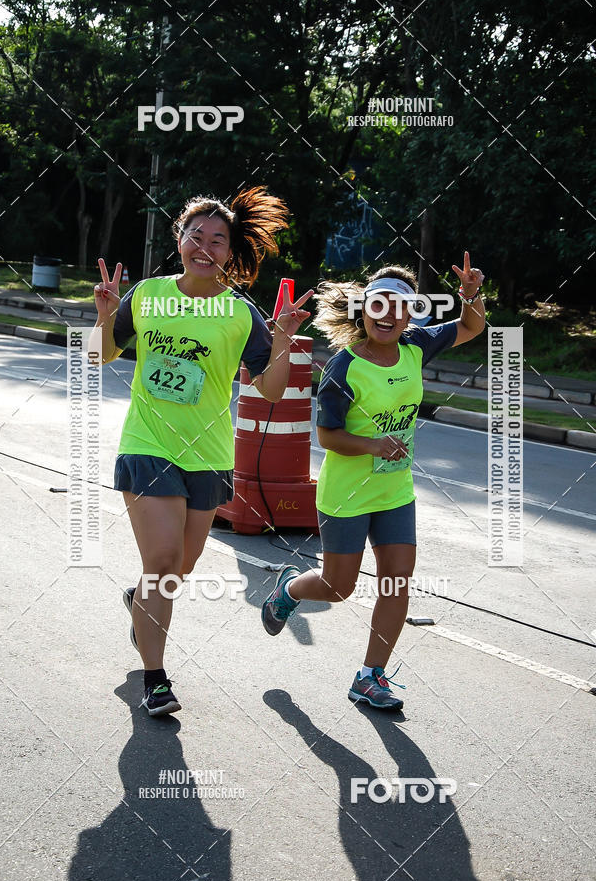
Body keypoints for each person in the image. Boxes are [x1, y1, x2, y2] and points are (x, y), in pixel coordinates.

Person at [91, 186, 311, 716]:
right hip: (148, 445)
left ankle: (140, 600)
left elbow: (274, 389)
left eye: (219, 240)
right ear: (180, 238)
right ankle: (156, 679)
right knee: (164, 561)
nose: (205, 246)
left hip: (209, 456)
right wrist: (104, 314)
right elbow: (100, 356)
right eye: (197, 234)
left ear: (230, 253)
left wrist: (281, 339)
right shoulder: (146, 296)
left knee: (176, 567)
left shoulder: (239, 314)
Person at [261, 252, 485, 710]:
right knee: (338, 587)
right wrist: (373, 445)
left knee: (397, 582)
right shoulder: (344, 368)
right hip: (347, 492)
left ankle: (370, 675)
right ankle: (288, 590)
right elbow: (327, 435)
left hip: (395, 489)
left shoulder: (417, 345)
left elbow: (470, 327)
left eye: (399, 307)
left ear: (409, 315)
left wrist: (470, 297)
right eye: (379, 304)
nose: (388, 315)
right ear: (364, 310)